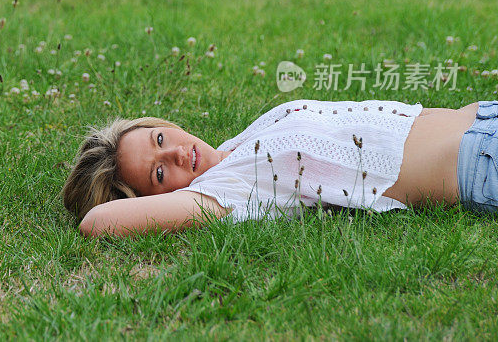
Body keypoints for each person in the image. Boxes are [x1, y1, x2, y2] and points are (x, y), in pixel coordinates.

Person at [61, 98, 497, 238]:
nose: (174, 154)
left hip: (479, 118)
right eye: (159, 173)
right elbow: (96, 222)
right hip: (477, 163)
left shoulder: (237, 147)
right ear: (162, 199)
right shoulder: (223, 193)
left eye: (160, 139)